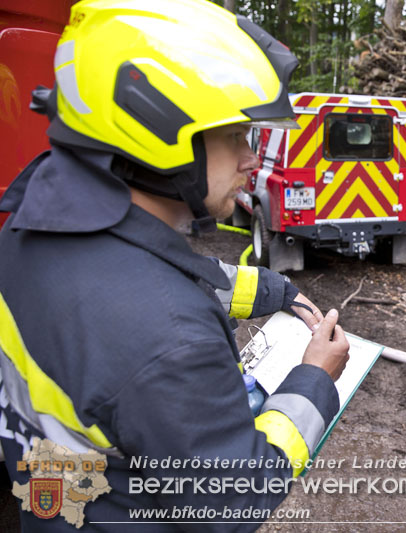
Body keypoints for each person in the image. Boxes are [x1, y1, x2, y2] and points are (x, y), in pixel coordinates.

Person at [0, 0, 349, 530]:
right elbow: (234, 501)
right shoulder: (168, 336)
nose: (252, 159)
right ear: (158, 130)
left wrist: (278, 290)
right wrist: (313, 381)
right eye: (235, 135)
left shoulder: (32, 224)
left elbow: (155, 279)